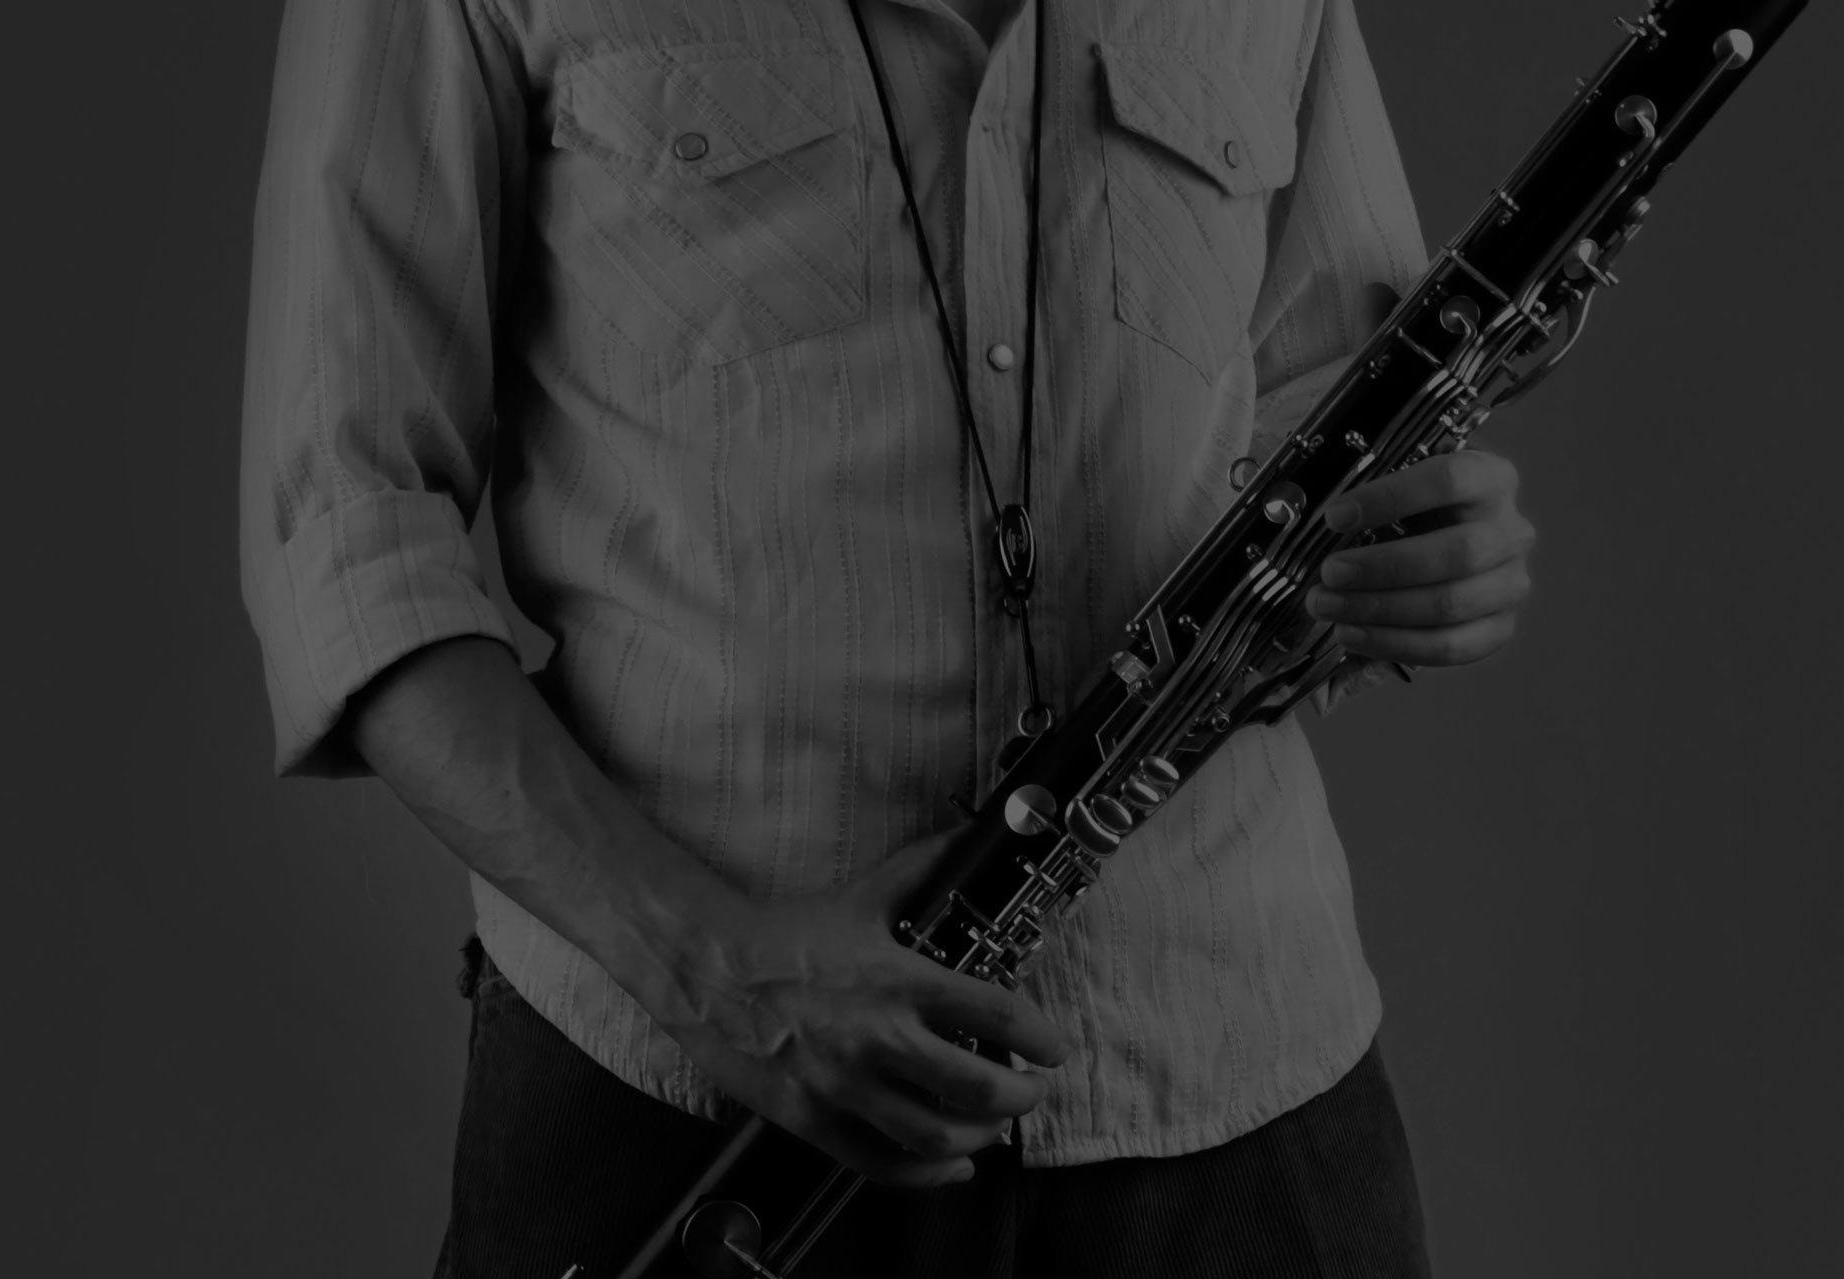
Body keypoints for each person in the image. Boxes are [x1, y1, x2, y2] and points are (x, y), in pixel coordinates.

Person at [238, 0, 1536, 1274]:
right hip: (692, 1104)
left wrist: (1411, 566)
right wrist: (716, 972)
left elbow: (1335, 407)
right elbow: (343, 535)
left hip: (1238, 1089)